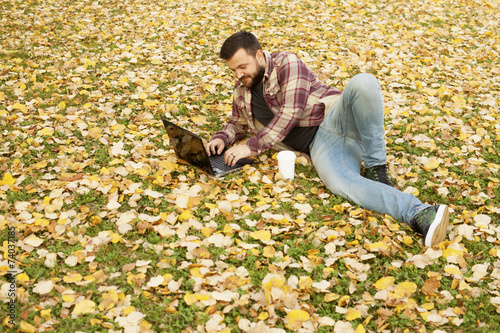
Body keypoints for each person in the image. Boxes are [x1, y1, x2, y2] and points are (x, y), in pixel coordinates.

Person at [205, 31, 449, 247]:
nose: (238, 75)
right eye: (233, 70)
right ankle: (421, 213)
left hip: (336, 117)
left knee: (364, 82)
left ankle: (376, 166)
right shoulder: (241, 90)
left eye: (242, 67)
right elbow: (236, 123)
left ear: (259, 55)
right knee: (341, 183)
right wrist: (221, 139)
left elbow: (291, 113)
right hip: (321, 145)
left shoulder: (286, 63)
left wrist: (251, 146)